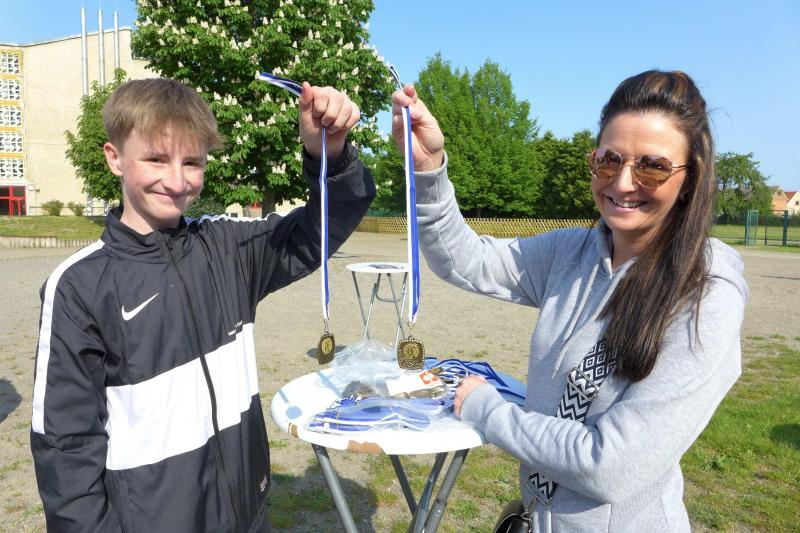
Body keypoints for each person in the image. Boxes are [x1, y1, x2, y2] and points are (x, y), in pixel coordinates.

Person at [391, 70, 747, 532]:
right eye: (608, 161)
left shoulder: (705, 297)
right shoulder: (571, 253)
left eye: (652, 166)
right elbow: (465, 261)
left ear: (690, 178)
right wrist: (427, 168)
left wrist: (487, 410)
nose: (623, 183)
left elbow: (611, 466)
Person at [30, 78, 374, 532]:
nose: (177, 181)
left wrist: (329, 154)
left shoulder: (228, 247)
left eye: (192, 162)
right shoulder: (79, 286)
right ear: (114, 158)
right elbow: (65, 446)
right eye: (156, 159)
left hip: (246, 516)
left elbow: (322, 227)